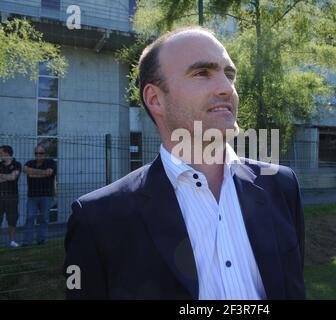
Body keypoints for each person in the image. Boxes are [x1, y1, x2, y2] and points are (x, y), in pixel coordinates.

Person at [64, 27, 306, 300]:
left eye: (229, 75)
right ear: (155, 99)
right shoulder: (98, 219)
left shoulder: (281, 185)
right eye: (202, 73)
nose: (227, 88)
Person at [23, 145, 57, 246]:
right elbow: (25, 170)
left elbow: (49, 173)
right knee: (30, 217)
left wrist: (33, 173)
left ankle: (41, 239)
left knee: (44, 218)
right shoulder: (30, 162)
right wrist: (43, 173)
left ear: (45, 154)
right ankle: (27, 241)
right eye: (36, 153)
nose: (38, 155)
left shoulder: (50, 162)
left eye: (41, 153)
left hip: (46, 195)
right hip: (32, 195)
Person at [0, 145, 22, 248]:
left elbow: (13, 177)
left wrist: (2, 176)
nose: (0, 155)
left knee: (12, 218)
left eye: (1, 153)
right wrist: (7, 177)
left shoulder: (17, 164)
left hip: (12, 196)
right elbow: (10, 177)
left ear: (7, 153)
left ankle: (12, 241)